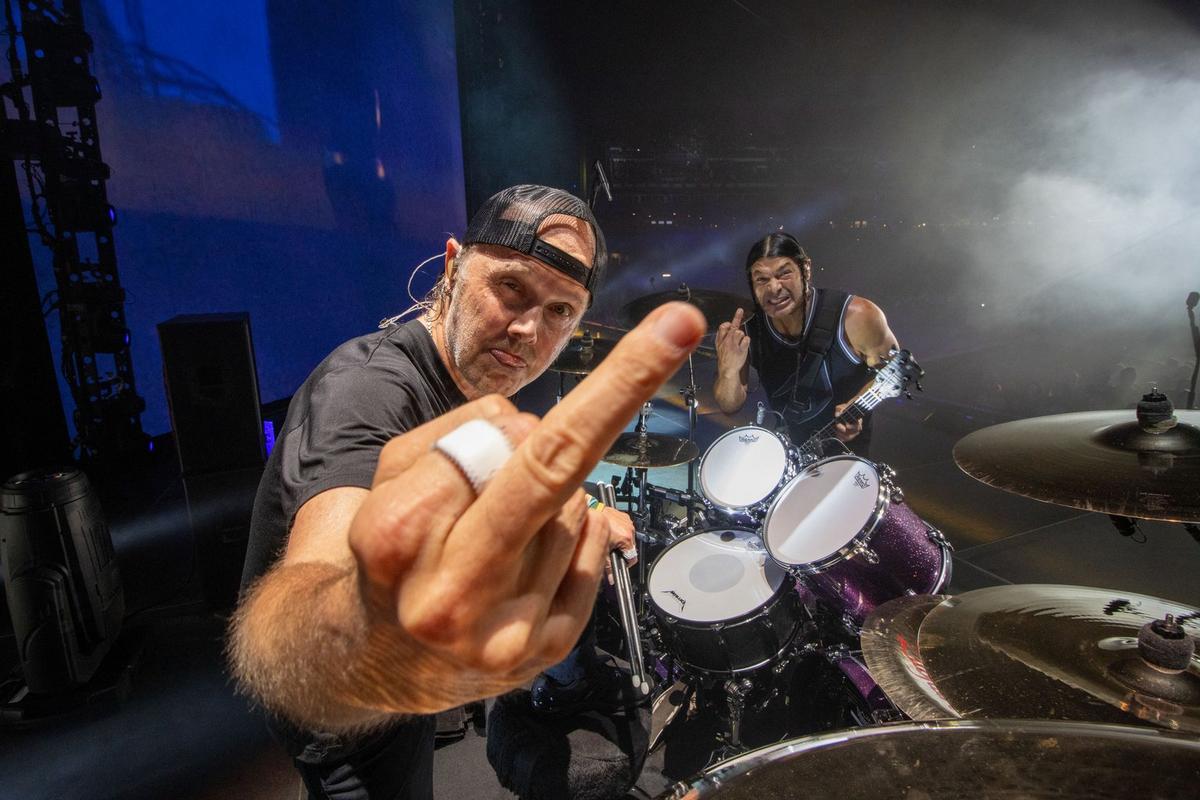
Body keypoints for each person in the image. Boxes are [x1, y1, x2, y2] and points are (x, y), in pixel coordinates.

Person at [227, 184, 706, 799]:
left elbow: (486, 471)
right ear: (453, 266)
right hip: (349, 727)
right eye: (511, 288)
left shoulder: (464, 382)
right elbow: (315, 602)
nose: (527, 329)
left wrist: (588, 509)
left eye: (560, 311)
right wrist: (364, 644)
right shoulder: (367, 391)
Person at [713, 232, 898, 455]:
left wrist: (858, 406)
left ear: (806, 269)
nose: (774, 288)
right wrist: (728, 370)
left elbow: (896, 372)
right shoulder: (748, 330)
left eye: (784, 274)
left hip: (847, 457)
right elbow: (729, 406)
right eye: (762, 279)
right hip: (791, 454)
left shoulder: (857, 316)